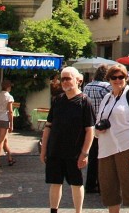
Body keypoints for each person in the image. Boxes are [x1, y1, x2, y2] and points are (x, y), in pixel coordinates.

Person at [96, 63, 129, 213]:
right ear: (109, 79)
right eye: (114, 77)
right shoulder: (107, 98)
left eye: (121, 77)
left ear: (126, 78)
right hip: (106, 148)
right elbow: (98, 120)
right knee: (108, 188)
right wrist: (98, 128)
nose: (118, 80)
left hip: (126, 146)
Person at [40, 66, 95, 213]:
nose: (64, 82)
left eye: (68, 78)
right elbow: (48, 126)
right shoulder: (58, 100)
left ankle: (78, 211)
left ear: (78, 80)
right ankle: (53, 210)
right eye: (62, 78)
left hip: (74, 152)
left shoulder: (85, 101)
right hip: (55, 150)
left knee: (76, 183)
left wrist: (85, 153)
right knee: (54, 182)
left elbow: (90, 130)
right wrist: (44, 149)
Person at [83, 64, 112, 192]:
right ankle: (101, 185)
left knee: (92, 155)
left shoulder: (87, 86)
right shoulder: (106, 87)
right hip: (103, 126)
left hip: (89, 125)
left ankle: (89, 184)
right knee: (103, 157)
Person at [0, 79, 16, 168]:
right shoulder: (9, 97)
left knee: (4, 140)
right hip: (4, 119)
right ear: (8, 87)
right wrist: (11, 124)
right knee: (1, 141)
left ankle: (10, 158)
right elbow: (10, 111)